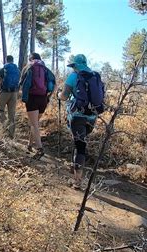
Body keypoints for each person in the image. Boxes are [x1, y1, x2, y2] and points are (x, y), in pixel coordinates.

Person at [59, 54, 104, 189]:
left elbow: (64, 96)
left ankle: (77, 181)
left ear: (76, 66)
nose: (73, 69)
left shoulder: (73, 76)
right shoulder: (95, 76)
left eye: (73, 66)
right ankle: (75, 168)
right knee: (80, 142)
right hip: (92, 116)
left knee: (80, 146)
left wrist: (58, 95)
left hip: (77, 116)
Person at [20, 53, 55, 159]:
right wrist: (49, 96)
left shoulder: (28, 67)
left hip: (32, 98)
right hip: (43, 99)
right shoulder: (45, 69)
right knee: (34, 123)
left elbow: (22, 83)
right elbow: (54, 84)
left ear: (30, 59)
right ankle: (30, 145)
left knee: (34, 124)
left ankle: (40, 149)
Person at [0, 55, 20, 138]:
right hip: (14, 93)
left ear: (6, 60)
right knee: (12, 114)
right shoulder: (17, 70)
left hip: (4, 92)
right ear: (13, 60)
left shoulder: (3, 69)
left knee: (1, 110)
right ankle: (11, 134)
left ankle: (4, 128)